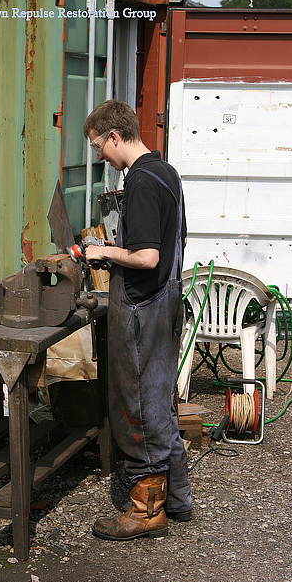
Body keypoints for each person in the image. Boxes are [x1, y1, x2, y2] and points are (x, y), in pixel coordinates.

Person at [83, 99, 192, 541]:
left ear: (114, 136)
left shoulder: (142, 182)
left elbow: (147, 256)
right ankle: (179, 498)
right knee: (161, 399)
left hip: (142, 308)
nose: (99, 157)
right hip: (166, 301)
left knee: (139, 405)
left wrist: (103, 252)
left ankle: (148, 512)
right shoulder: (167, 172)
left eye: (98, 147)